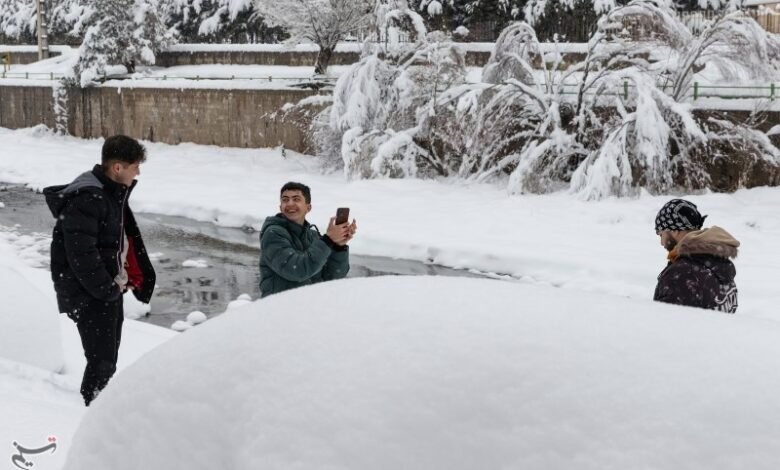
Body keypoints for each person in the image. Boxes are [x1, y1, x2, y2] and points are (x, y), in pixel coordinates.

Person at [44, 135, 155, 406]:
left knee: (106, 359)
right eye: (134, 166)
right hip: (89, 294)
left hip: (104, 290)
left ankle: (97, 405)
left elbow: (118, 242)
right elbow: (81, 255)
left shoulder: (110, 194)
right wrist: (107, 289)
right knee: (102, 361)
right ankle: (90, 409)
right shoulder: (88, 198)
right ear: (117, 168)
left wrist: (126, 278)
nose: (138, 172)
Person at [259, 182, 355, 297]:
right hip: (279, 310)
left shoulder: (314, 236)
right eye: (285, 200)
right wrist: (328, 240)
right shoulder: (273, 234)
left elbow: (332, 278)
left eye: (296, 199)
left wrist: (339, 246)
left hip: (310, 309)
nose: (290, 204)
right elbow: (297, 271)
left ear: (308, 207)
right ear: (280, 207)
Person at [653, 198, 739, 313]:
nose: (662, 243)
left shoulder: (683, 274)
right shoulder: (717, 262)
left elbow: (667, 326)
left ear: (674, 230)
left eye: (660, 234)